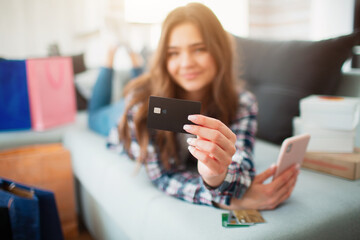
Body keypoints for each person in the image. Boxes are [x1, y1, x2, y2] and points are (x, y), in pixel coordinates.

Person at [90, 2, 300, 210]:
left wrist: (215, 176)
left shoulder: (243, 102)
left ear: (220, 50)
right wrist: (224, 200)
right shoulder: (141, 107)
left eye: (199, 49)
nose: (186, 63)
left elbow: (242, 161)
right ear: (164, 58)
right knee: (96, 113)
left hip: (157, 87)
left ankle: (135, 60)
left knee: (143, 79)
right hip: (116, 121)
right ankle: (110, 56)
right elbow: (164, 176)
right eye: (173, 53)